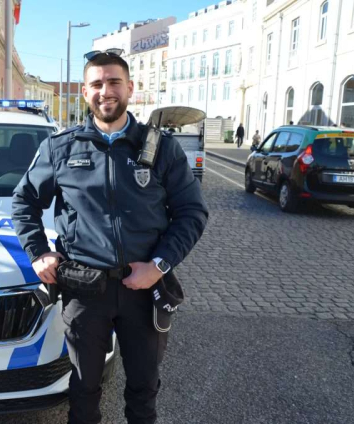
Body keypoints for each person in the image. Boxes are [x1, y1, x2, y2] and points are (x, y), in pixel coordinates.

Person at [11, 50, 209, 424]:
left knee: (143, 387)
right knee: (84, 387)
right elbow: (23, 201)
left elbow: (192, 212)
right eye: (97, 84)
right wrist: (38, 251)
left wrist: (159, 265)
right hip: (85, 291)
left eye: (114, 82)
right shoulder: (60, 147)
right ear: (85, 93)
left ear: (131, 88)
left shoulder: (161, 148)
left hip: (144, 290)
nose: (107, 91)